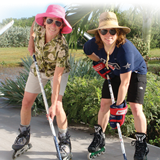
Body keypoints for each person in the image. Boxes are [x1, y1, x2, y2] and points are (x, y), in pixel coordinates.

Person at [83, 12, 149, 160]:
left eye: (112, 30)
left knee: (135, 106)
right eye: (104, 30)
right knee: (104, 103)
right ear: (99, 33)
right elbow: (88, 52)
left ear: (118, 32)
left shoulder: (125, 50)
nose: (108, 34)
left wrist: (118, 109)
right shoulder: (92, 44)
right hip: (114, 72)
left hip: (136, 73)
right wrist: (99, 64)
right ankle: (99, 137)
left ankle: (141, 145)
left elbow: (125, 83)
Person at [12, 4, 72, 159]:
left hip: (57, 73)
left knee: (58, 106)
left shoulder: (62, 47)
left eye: (58, 23)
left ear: (61, 26)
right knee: (26, 102)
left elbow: (57, 78)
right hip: (38, 68)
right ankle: (24, 135)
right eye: (50, 20)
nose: (53, 25)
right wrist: (31, 44)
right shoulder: (39, 29)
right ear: (45, 21)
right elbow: (33, 24)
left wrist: (52, 104)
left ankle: (64, 140)